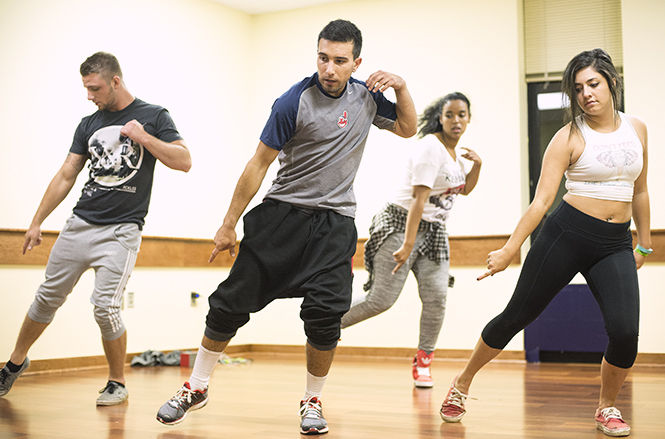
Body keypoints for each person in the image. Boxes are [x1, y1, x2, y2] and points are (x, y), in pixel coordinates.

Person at [156, 19, 416, 435]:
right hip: (281, 217)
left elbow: (407, 128)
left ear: (356, 63)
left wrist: (401, 87)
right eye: (322, 58)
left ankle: (312, 400)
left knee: (326, 314)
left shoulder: (368, 97)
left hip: (335, 225)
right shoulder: (293, 101)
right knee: (229, 303)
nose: (329, 69)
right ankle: (197, 386)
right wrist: (227, 225)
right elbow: (258, 164)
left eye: (339, 61)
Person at [439, 48, 651, 438]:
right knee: (517, 315)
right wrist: (509, 249)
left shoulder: (636, 129)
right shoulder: (568, 136)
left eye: (594, 84)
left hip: (614, 243)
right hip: (566, 234)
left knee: (625, 332)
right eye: (579, 88)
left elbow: (639, 191)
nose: (586, 93)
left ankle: (606, 407)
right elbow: (541, 202)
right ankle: (462, 383)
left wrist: (644, 243)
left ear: (612, 83)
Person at [0, 52, 191, 405]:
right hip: (79, 224)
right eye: (87, 89)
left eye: (95, 88)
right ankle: (13, 365)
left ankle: (117, 382)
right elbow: (66, 174)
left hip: (121, 232)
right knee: (45, 298)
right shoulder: (88, 124)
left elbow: (184, 161)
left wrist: (144, 138)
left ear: (115, 81)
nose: (90, 95)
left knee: (105, 306)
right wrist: (36, 221)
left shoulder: (154, 115)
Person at [341, 92, 481, 388]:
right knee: (381, 300)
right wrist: (406, 244)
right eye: (450, 115)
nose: (456, 121)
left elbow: (463, 190)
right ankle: (326, 325)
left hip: (434, 233)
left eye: (462, 114)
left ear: (468, 118)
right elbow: (418, 200)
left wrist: (477, 166)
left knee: (437, 298)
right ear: (439, 118)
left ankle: (424, 361)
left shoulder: (455, 155)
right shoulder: (431, 148)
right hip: (401, 224)